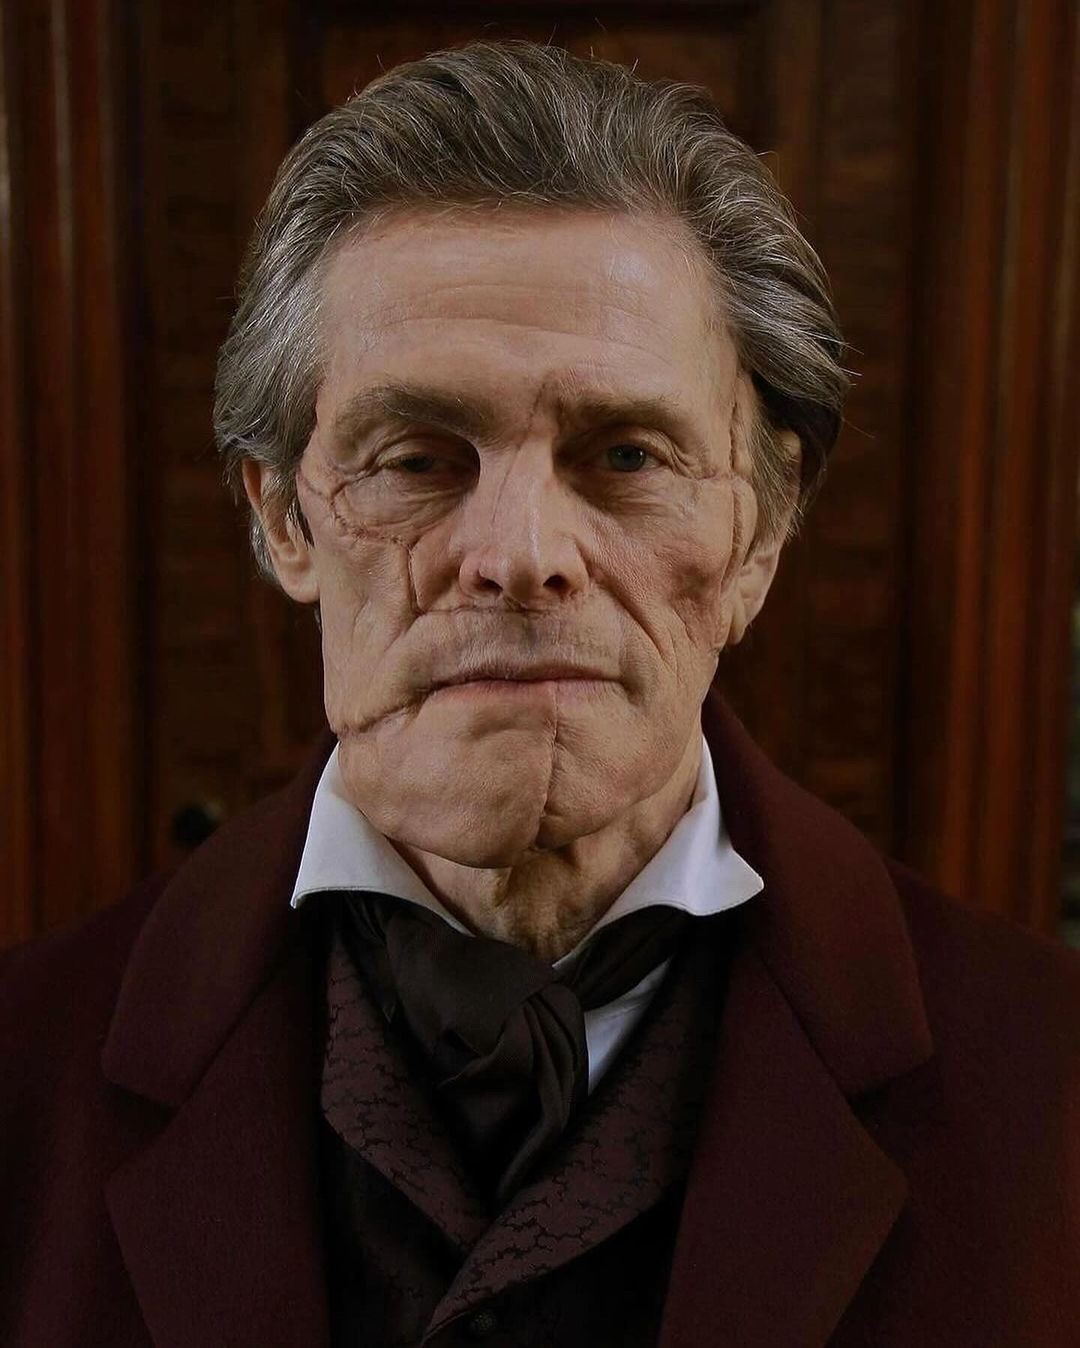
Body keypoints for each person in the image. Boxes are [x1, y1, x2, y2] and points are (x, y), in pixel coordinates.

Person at [2, 40, 1078, 1348]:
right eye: (417, 459)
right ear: (283, 518)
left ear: (759, 529)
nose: (520, 554)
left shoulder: (1051, 1085)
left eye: (625, 457)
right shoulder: (23, 1071)